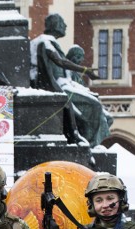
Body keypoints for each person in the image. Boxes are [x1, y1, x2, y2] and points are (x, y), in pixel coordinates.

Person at [30, 13, 108, 147]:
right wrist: (85, 70)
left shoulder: (47, 42)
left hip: (62, 85)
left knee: (94, 104)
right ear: (56, 25)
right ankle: (89, 143)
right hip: (57, 87)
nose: (65, 26)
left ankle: (87, 140)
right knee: (94, 105)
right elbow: (61, 62)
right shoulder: (45, 42)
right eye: (63, 23)